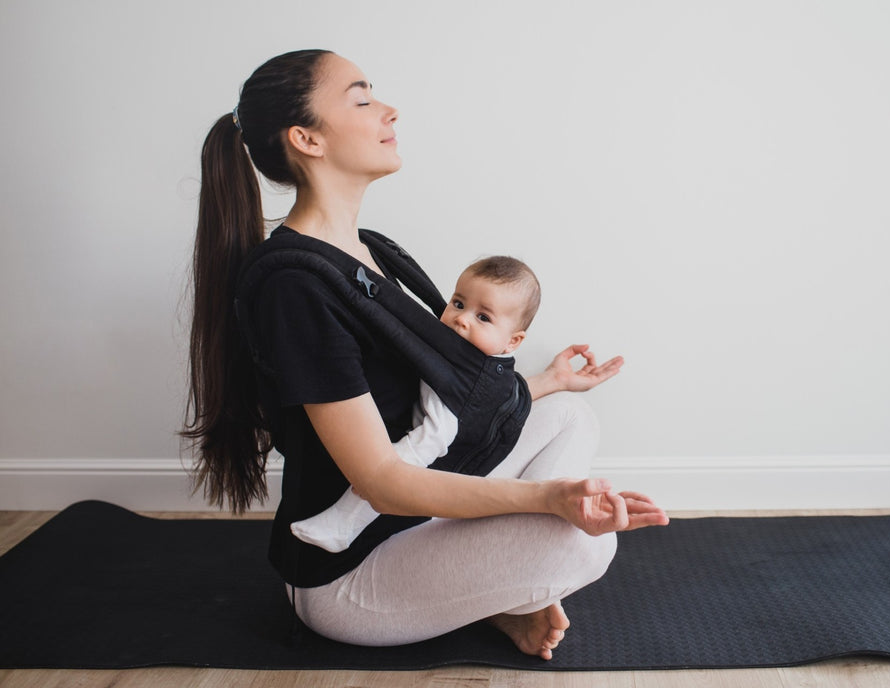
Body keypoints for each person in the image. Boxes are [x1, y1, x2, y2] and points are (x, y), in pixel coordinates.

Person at [183, 48, 668, 661]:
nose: (389, 110)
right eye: (361, 99)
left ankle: (491, 586)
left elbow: (443, 395)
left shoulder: (376, 252)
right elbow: (380, 482)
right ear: (307, 138)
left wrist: (546, 383)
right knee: (581, 545)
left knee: (572, 419)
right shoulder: (294, 284)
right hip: (350, 574)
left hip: (415, 524)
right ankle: (500, 590)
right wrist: (549, 500)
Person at [291, 254, 542, 553]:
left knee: (405, 460)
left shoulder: (467, 380)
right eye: (459, 303)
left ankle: (341, 525)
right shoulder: (474, 355)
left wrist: (382, 475)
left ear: (512, 341)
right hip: (465, 455)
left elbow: (434, 438)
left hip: (440, 466)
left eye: (483, 317)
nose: (461, 319)